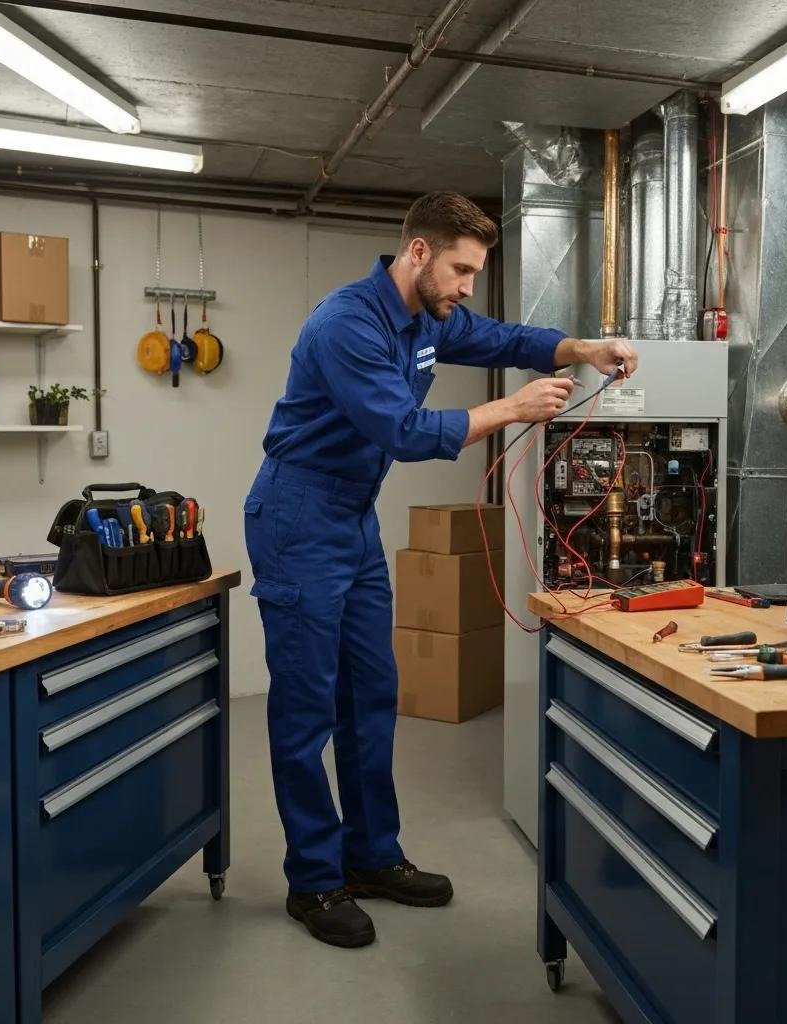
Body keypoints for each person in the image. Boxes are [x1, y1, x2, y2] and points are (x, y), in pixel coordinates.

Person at [244, 191, 637, 948]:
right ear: (417, 252)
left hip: (352, 518)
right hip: (297, 516)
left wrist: (583, 347)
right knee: (307, 704)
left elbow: (503, 338)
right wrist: (513, 410)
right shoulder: (346, 323)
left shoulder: (428, 317)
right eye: (460, 269)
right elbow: (404, 427)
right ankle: (315, 882)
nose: (465, 288)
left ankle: (371, 857)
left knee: (373, 692)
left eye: (474, 273)